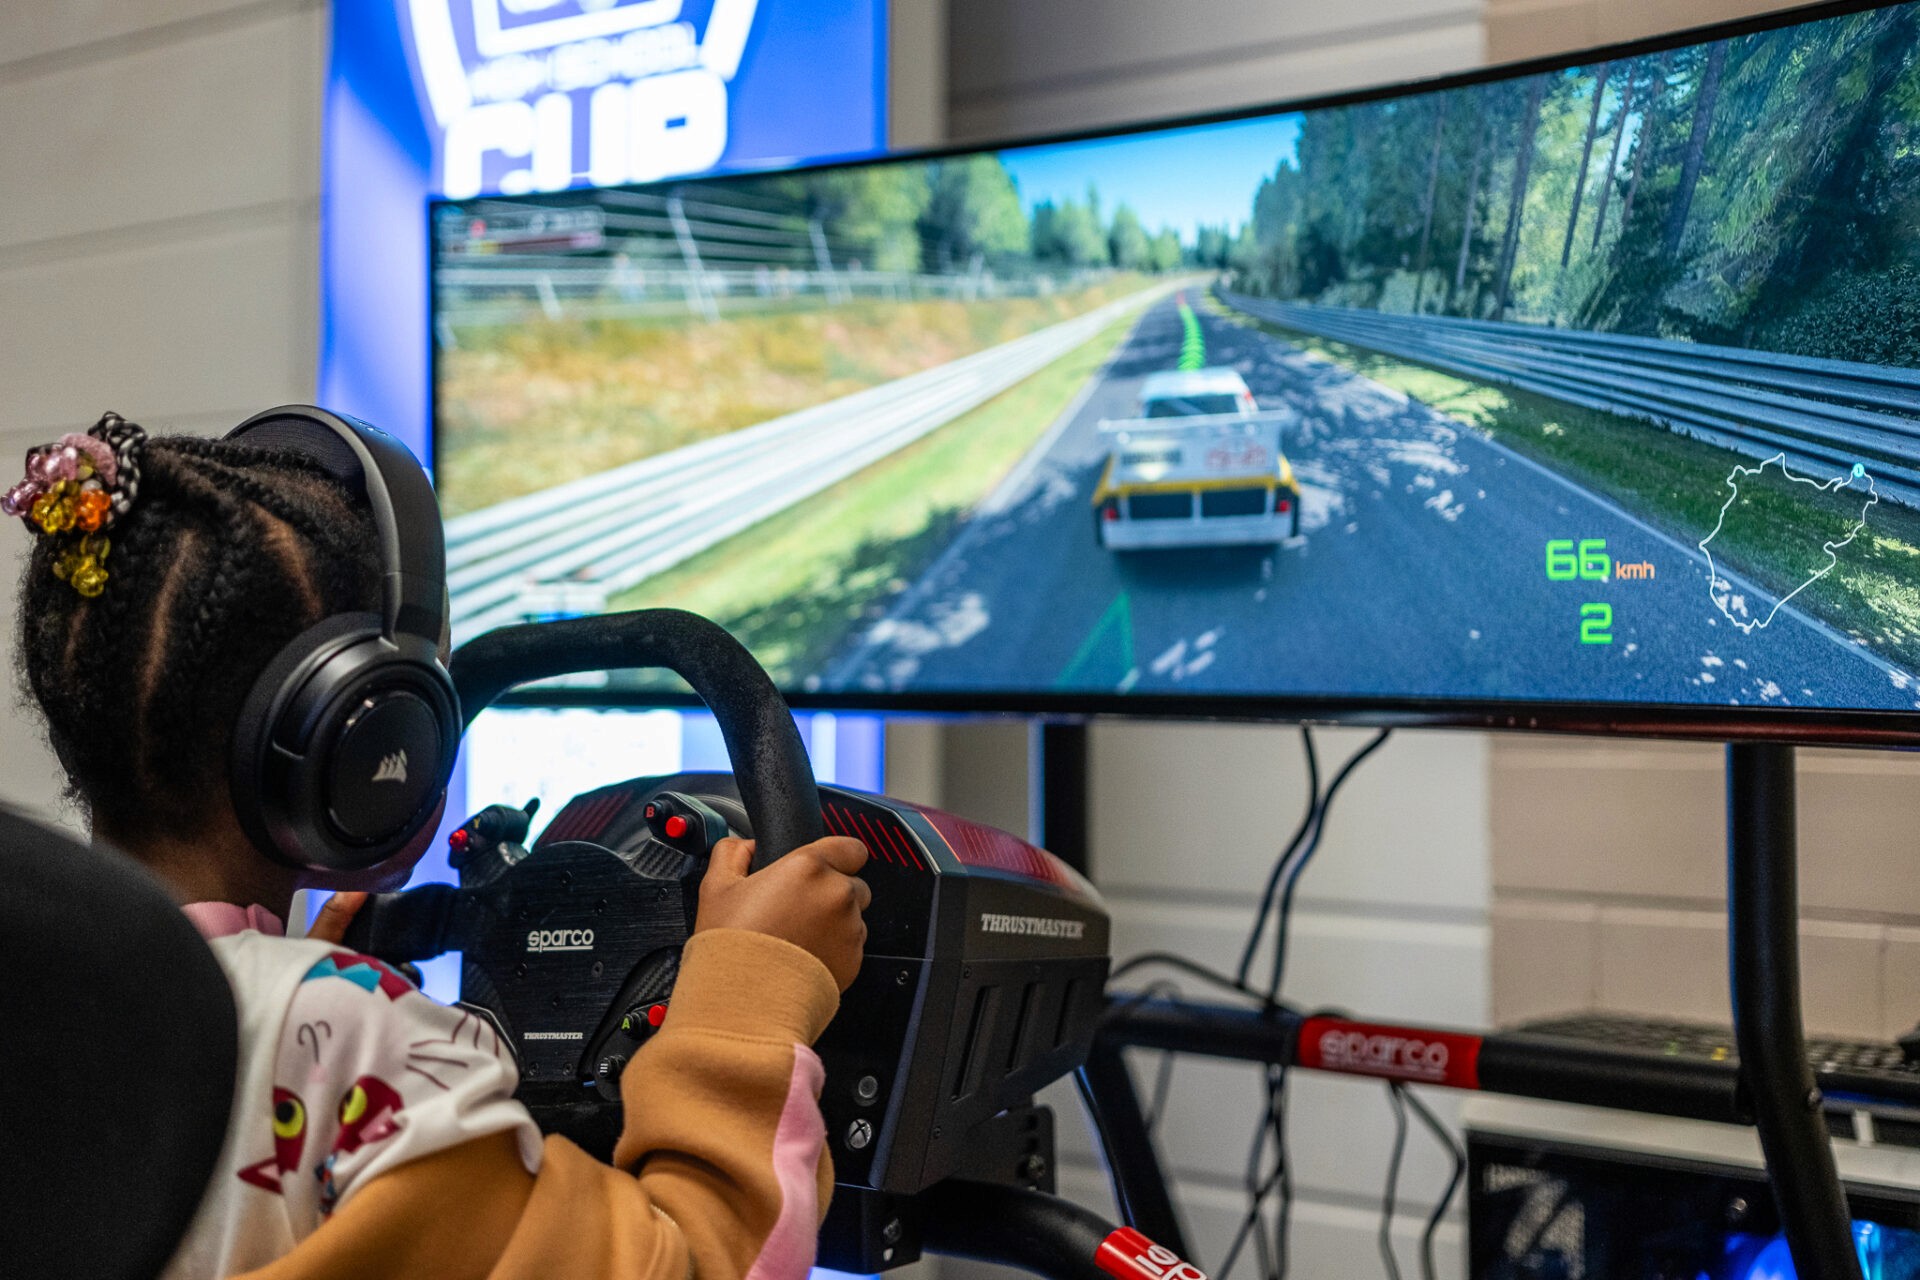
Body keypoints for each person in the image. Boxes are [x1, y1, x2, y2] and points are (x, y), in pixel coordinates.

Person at [7, 413, 871, 1279]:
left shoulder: (45, 1005)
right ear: (373, 737)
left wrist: (308, 992)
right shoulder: (353, 1044)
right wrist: (751, 996)